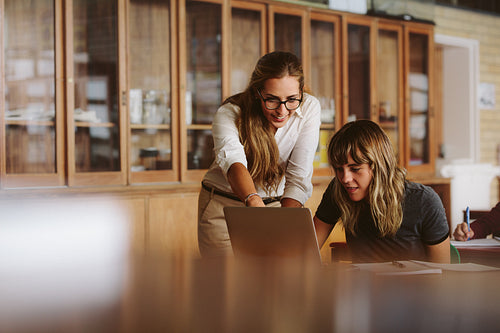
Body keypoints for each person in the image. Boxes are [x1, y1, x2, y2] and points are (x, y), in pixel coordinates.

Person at [198, 51, 321, 257]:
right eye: (272, 100)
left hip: (275, 205)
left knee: (273, 281)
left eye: (291, 99)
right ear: (257, 92)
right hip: (223, 207)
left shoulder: (309, 107)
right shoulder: (229, 113)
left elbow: (299, 176)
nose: (282, 111)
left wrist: (283, 227)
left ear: (301, 92)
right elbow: (233, 162)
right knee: (227, 284)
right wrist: (254, 202)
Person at [313, 120, 450, 263]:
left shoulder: (423, 200)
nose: (345, 178)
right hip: (362, 284)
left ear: (378, 166)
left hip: (413, 285)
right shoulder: (338, 191)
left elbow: (444, 273)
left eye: (355, 169)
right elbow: (308, 247)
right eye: (339, 169)